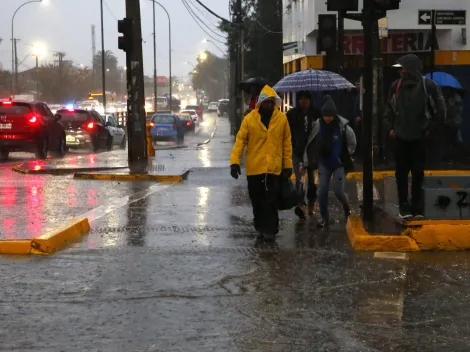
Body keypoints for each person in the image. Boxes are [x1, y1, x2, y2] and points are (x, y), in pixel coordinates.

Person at [384, 54, 446, 219]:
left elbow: (441, 112)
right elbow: (388, 110)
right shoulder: (395, 87)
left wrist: (429, 130)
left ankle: (416, 207)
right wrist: (390, 128)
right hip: (401, 138)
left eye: (403, 68)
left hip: (420, 138)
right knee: (401, 174)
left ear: (410, 69)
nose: (400, 72)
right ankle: (404, 206)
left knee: (418, 173)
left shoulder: (429, 86)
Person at [230, 85, 293, 241]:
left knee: (271, 201)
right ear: (260, 103)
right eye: (265, 102)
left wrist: (288, 166)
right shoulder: (249, 119)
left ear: (274, 103)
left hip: (273, 168)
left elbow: (287, 143)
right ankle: (259, 227)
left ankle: (271, 229)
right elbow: (240, 141)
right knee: (257, 200)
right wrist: (235, 162)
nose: (268, 105)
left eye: (271, 102)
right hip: (255, 168)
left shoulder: (282, 119)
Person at [303, 95, 357, 227]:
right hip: (324, 163)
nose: (327, 118)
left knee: (338, 190)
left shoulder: (343, 127)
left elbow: (352, 143)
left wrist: (345, 155)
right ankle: (324, 218)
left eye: (330, 115)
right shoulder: (318, 125)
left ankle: (346, 208)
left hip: (339, 164)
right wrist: (307, 161)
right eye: (325, 115)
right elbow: (310, 142)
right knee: (322, 192)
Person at [286, 90, 322, 219]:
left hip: (313, 154)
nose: (303, 101)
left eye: (306, 98)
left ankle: (312, 201)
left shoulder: (317, 114)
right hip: (298, 153)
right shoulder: (292, 115)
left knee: (313, 181)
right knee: (299, 181)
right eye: (301, 98)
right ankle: (301, 205)